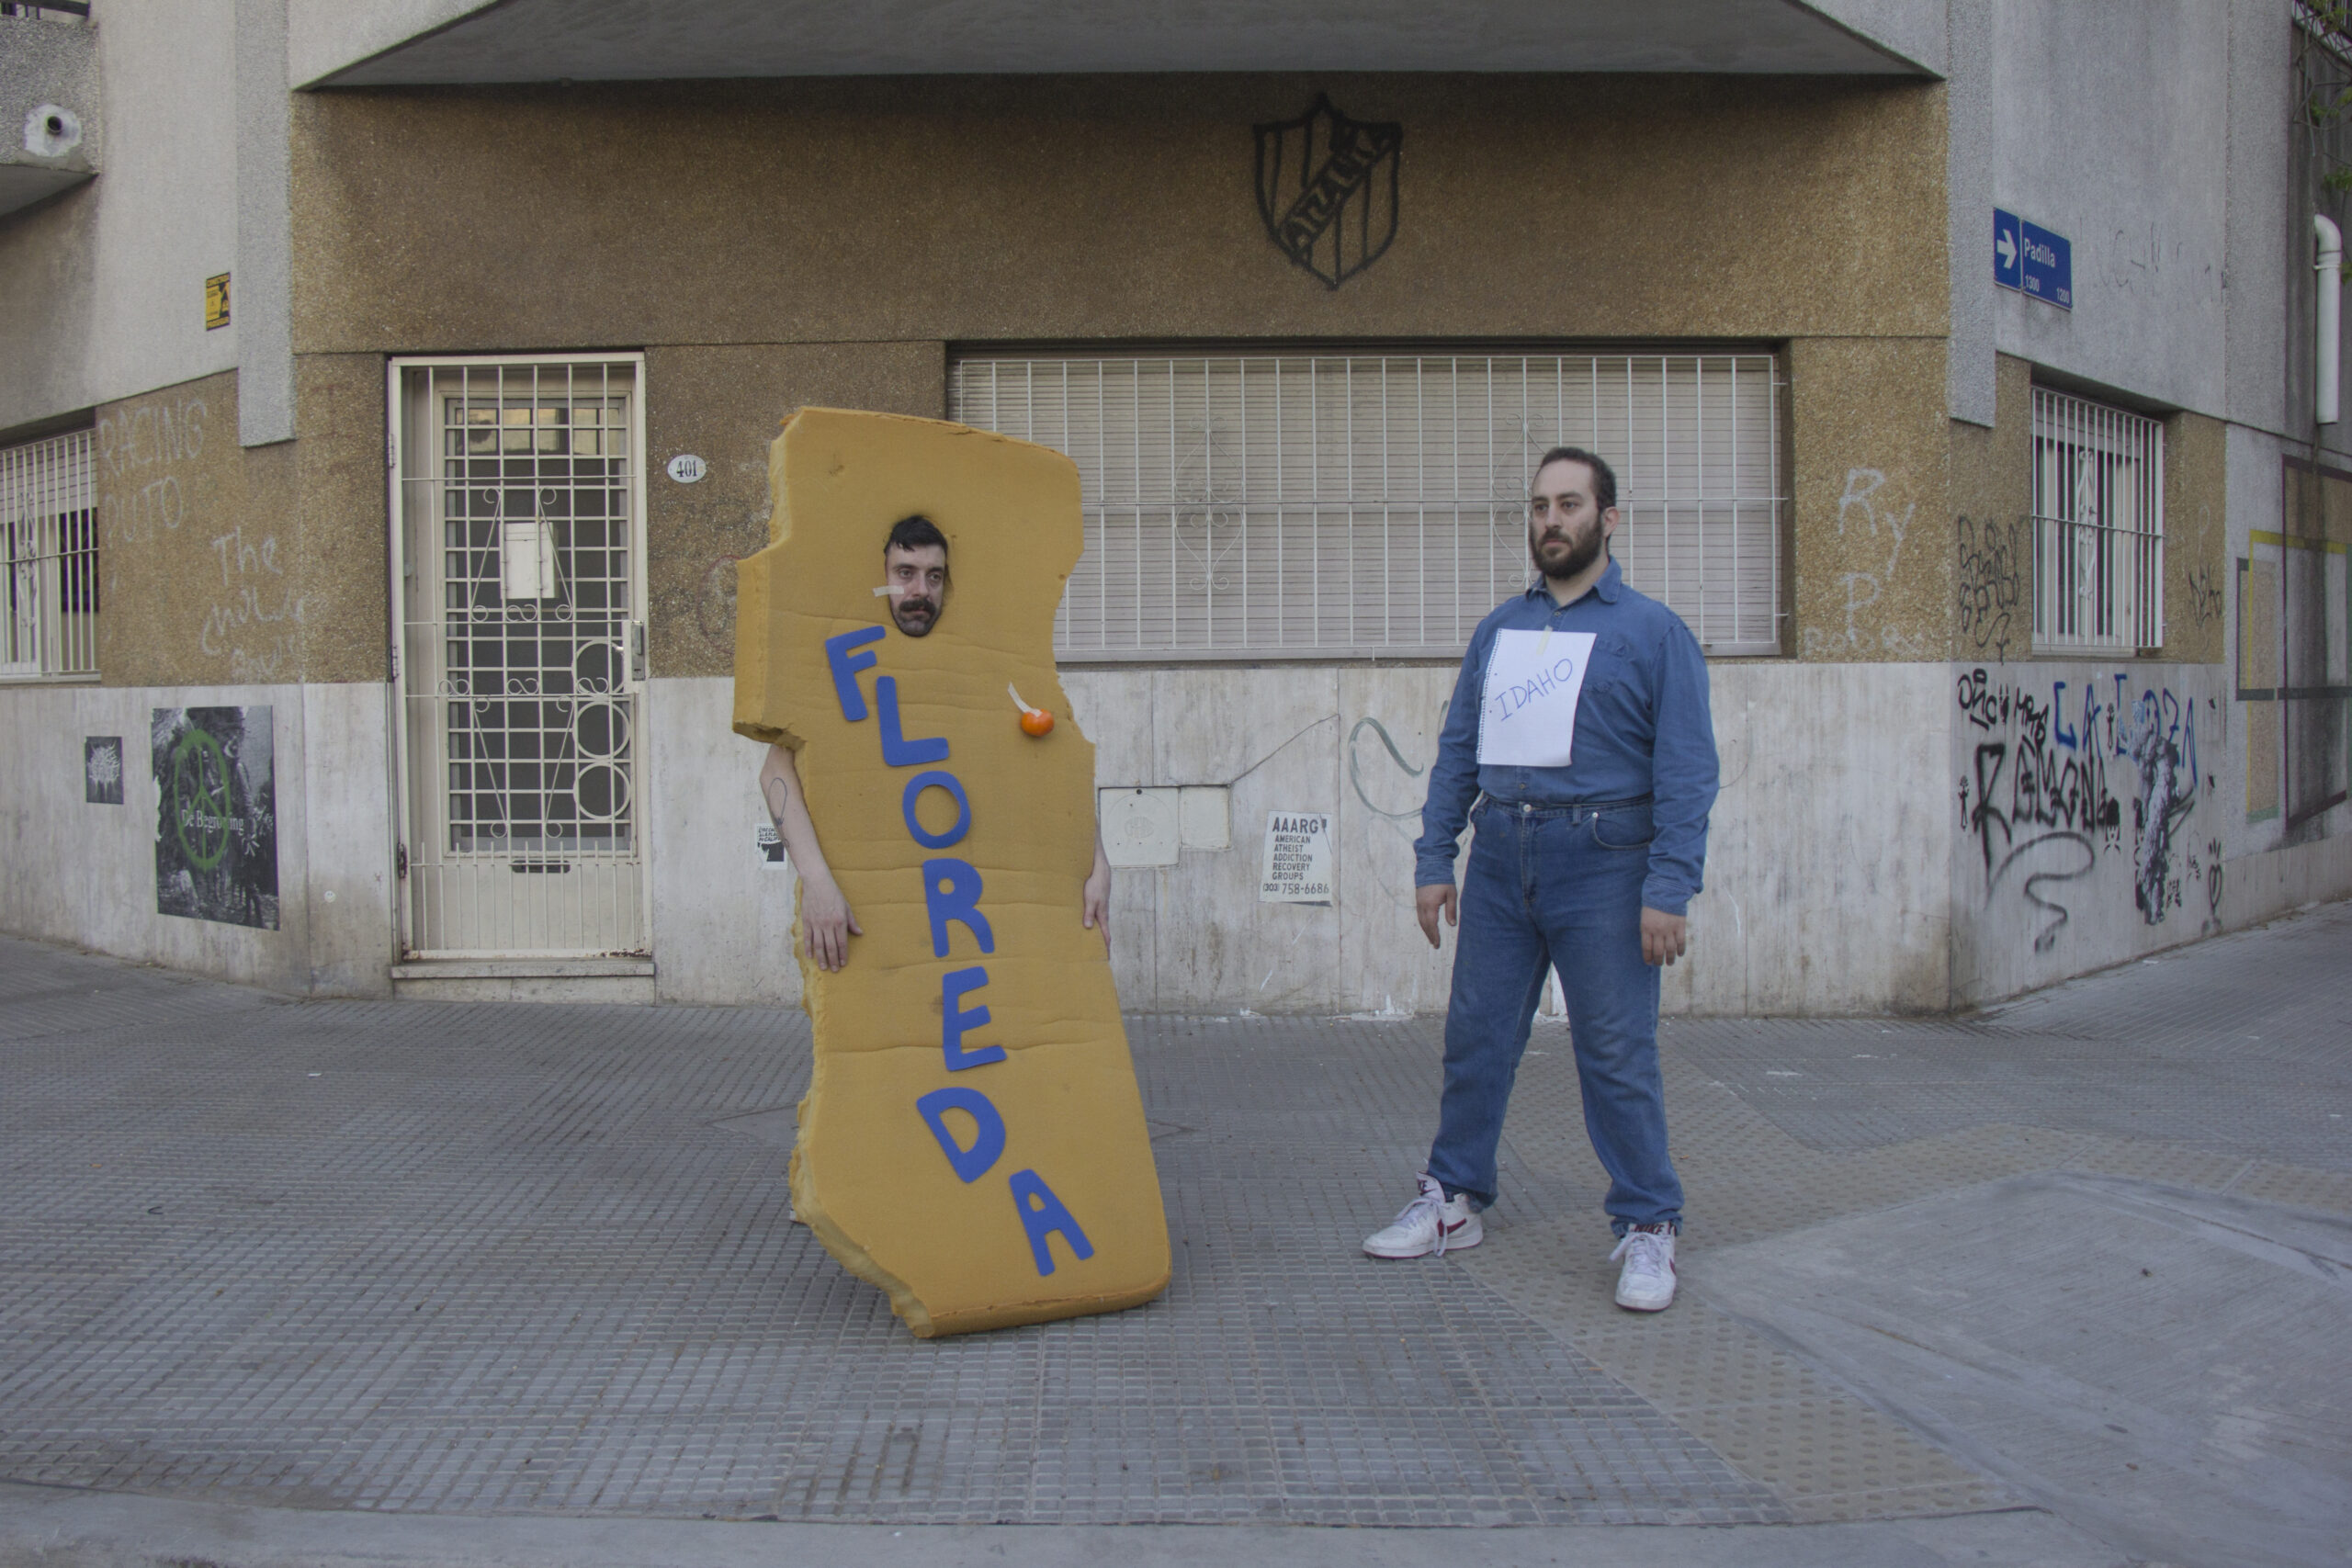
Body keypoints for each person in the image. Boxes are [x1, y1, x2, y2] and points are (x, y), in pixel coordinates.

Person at [1362, 448, 1718, 1314]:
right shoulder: (1500, 632)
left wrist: (1668, 888)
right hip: (1500, 858)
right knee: (1476, 1037)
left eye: (1568, 504)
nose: (1550, 521)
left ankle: (1648, 1224)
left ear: (1608, 518)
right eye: (1538, 507)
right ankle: (1454, 1198)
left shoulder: (1653, 633)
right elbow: (1458, 752)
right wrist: (1433, 860)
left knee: (1614, 1050)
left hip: (1607, 862)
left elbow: (1688, 770)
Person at [759, 513, 1114, 971]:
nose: (919, 592)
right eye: (904, 574)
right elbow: (774, 771)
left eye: (934, 576)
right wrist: (816, 880)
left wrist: (1098, 862)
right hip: (873, 922)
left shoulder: (997, 672)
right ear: (881, 579)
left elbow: (1053, 766)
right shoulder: (830, 668)